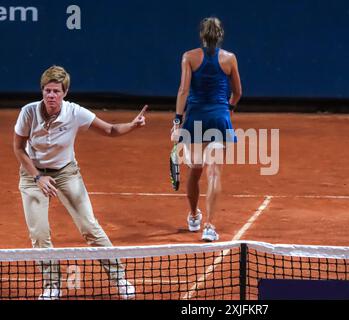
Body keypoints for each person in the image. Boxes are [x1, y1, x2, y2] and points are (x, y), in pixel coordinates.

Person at [13, 65, 148, 300]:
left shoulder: (75, 113)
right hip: (33, 175)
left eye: (55, 91)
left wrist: (132, 125)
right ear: (42, 91)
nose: (51, 96)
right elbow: (18, 148)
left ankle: (120, 278)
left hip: (66, 172)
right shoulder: (28, 112)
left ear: (64, 93)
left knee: (90, 227)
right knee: (39, 234)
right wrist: (38, 177)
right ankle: (52, 285)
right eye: (47, 91)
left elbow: (110, 130)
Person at [171, 17, 242, 242]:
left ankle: (193, 216)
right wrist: (228, 109)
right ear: (221, 35)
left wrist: (176, 121)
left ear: (202, 35)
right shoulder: (230, 59)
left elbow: (183, 91)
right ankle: (209, 227)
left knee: (195, 170)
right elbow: (238, 92)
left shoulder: (189, 57)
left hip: (196, 120)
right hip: (220, 118)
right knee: (214, 172)